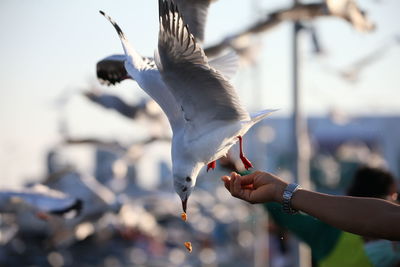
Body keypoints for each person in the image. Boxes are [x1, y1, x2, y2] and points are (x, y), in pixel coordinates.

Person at [221, 170, 400, 241]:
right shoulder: (332, 231)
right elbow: (385, 219)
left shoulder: (330, 234)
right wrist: (280, 191)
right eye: (393, 198)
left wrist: (280, 191)